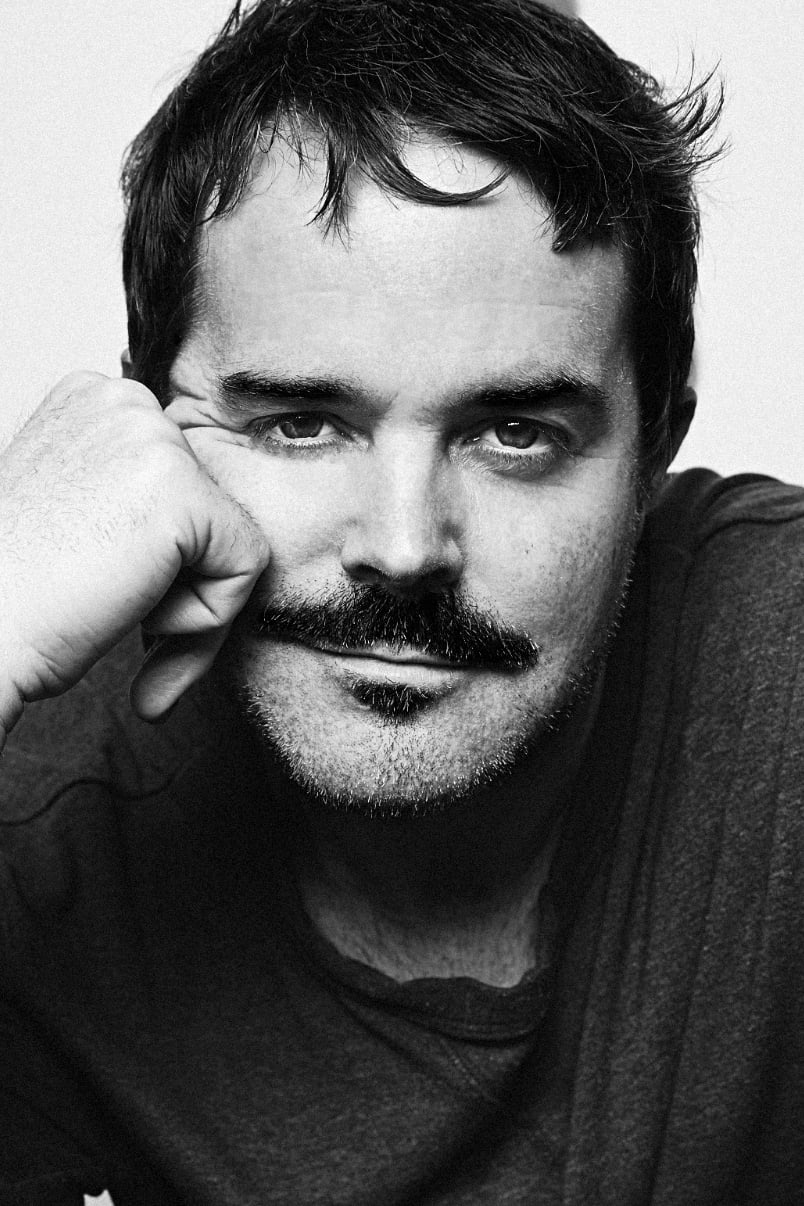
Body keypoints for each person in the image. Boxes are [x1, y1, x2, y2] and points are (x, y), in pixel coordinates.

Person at [1, 0, 801, 1201]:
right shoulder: (42, 824)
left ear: (654, 451)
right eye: (302, 422)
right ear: (146, 430)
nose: (404, 545)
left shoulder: (776, 666)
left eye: (515, 434)